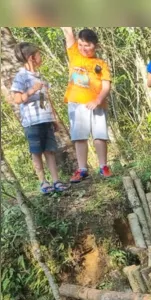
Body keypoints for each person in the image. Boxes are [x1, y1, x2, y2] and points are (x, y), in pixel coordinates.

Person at [10, 42, 68, 194]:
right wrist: (31, 90)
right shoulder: (21, 76)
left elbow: (45, 98)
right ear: (31, 58)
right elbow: (17, 99)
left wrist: (53, 118)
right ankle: (43, 182)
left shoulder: (40, 76)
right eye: (38, 54)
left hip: (45, 119)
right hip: (31, 122)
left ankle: (56, 181)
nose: (41, 57)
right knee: (36, 152)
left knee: (50, 151)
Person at [61, 27, 113, 181]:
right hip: (77, 102)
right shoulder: (74, 54)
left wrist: (97, 100)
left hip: (97, 104)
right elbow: (68, 33)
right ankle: (82, 169)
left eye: (87, 45)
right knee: (79, 137)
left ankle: (103, 166)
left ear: (95, 46)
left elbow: (106, 85)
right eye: (81, 45)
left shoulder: (101, 63)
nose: (83, 49)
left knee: (100, 135)